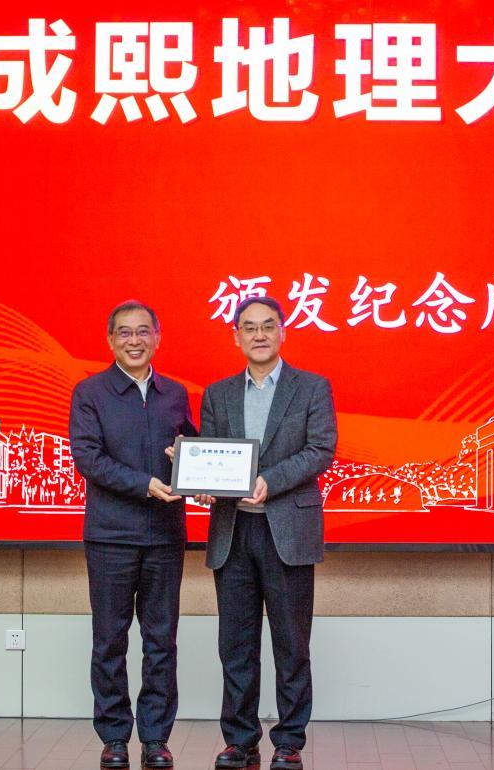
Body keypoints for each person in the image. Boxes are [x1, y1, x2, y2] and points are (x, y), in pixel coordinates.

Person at [195, 296, 337, 770]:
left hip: (287, 531)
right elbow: (210, 454)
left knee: (291, 644)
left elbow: (320, 449)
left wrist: (270, 481)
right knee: (235, 645)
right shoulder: (217, 394)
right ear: (236, 336)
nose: (259, 334)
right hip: (232, 532)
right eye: (249, 327)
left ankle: (289, 741)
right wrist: (202, 481)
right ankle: (240, 740)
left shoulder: (312, 387)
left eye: (268, 326)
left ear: (282, 332)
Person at [70, 300, 195, 770]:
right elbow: (89, 458)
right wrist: (144, 484)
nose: (134, 340)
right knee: (110, 640)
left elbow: (192, 450)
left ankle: (156, 738)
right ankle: (115, 737)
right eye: (124, 332)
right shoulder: (90, 393)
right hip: (110, 537)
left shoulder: (174, 393)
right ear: (110, 340)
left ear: (157, 337)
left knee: (162, 641)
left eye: (143, 331)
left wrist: (195, 466)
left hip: (165, 537)